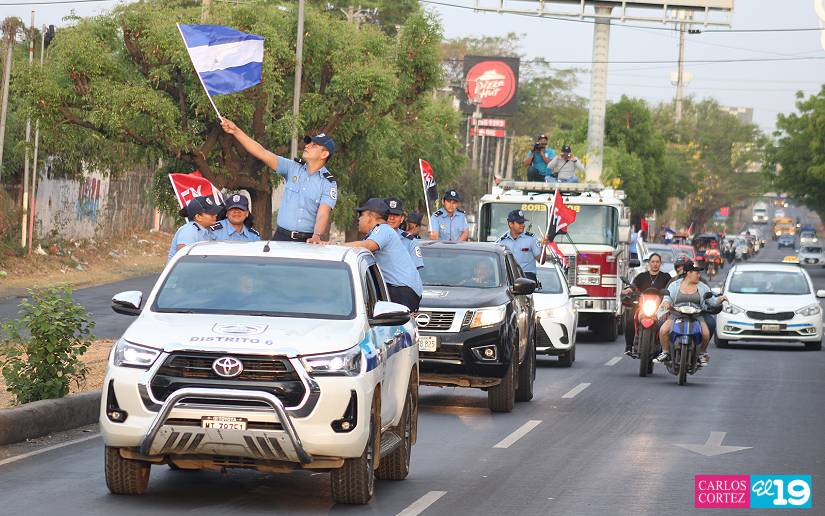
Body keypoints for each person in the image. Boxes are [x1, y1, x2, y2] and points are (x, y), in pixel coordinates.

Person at [221, 119, 336, 243]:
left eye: (314, 145)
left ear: (324, 154)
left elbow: (323, 214)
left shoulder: (328, 183)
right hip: (281, 237)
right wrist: (236, 131)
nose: (307, 146)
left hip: (307, 240)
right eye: (308, 143)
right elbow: (262, 152)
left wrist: (317, 235)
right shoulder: (292, 167)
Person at [318, 198, 422, 311]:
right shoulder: (378, 232)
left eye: (361, 215)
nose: (358, 219)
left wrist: (332, 245)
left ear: (370, 216)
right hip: (399, 289)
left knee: (395, 327)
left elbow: (367, 246)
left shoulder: (383, 229)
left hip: (401, 291)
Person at [655, 261, 726, 366]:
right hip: (677, 314)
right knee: (663, 330)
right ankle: (665, 352)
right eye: (696, 273)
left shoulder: (703, 287)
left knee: (706, 333)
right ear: (688, 273)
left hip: (696, 315)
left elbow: (712, 301)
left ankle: (701, 353)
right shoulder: (674, 285)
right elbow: (667, 297)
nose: (699, 275)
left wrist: (720, 299)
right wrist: (666, 303)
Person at [622, 253, 670, 356]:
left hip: (660, 307)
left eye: (657, 262)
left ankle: (666, 350)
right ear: (649, 263)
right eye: (653, 262)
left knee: (668, 323)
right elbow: (633, 285)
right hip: (642, 306)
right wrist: (629, 289)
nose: (655, 264)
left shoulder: (666, 277)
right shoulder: (641, 276)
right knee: (630, 320)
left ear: (660, 263)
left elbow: (671, 288)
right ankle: (629, 347)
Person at [167, 195, 223, 261]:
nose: (216, 215)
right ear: (198, 217)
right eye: (211, 213)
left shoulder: (205, 231)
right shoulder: (189, 231)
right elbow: (184, 260)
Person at [496, 209, 542, 281]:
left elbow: (541, 261)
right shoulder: (501, 242)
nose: (523, 225)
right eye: (519, 223)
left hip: (528, 278)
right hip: (508, 278)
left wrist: (544, 247)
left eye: (523, 222)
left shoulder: (532, 239)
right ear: (510, 224)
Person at [385, 197, 424, 271]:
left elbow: (416, 271)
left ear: (402, 218)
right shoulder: (372, 238)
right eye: (388, 214)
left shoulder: (410, 242)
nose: (391, 218)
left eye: (395, 214)